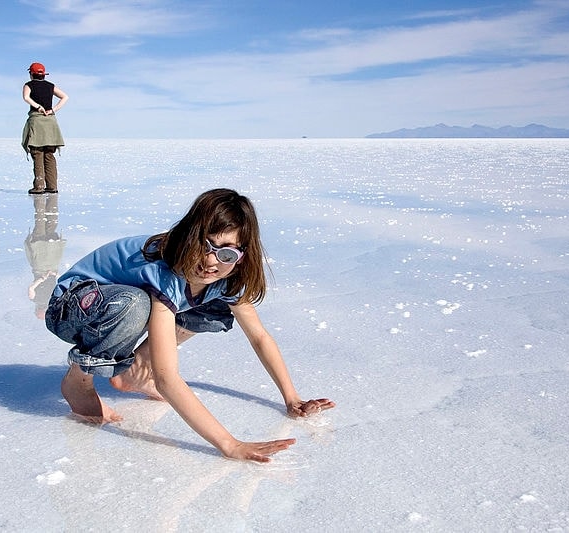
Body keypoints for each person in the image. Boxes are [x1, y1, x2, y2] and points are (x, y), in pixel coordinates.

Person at [45, 189, 335, 462]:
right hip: (71, 307)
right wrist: (229, 444)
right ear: (188, 236)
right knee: (134, 304)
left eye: (226, 253)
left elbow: (258, 336)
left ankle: (135, 371)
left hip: (117, 306)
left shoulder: (227, 278)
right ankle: (79, 379)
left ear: (241, 256)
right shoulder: (164, 272)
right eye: (204, 245)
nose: (210, 261)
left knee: (215, 304)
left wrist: (292, 398)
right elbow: (168, 379)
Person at [22, 62, 68, 194]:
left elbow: (26, 97)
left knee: (37, 153)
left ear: (31, 74)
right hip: (50, 122)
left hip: (37, 121)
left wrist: (37, 107)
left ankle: (39, 186)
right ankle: (52, 186)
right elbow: (65, 97)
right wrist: (53, 110)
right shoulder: (50, 86)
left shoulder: (28, 85)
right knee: (49, 154)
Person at [25, 193, 66, 319]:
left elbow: (32, 287)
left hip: (47, 265)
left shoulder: (47, 298)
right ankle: (44, 203)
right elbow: (32, 287)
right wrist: (52, 276)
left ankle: (45, 203)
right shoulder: (44, 299)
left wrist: (45, 277)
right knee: (42, 229)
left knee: (48, 229)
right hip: (46, 265)